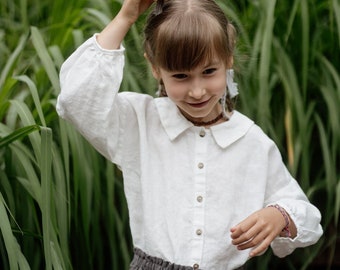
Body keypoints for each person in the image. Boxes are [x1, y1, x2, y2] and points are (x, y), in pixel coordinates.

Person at [56, 0, 323, 269]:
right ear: (156, 68)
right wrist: (126, 17)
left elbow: (307, 216)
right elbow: (76, 100)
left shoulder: (251, 142)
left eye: (208, 72)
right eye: (181, 76)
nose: (197, 91)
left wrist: (279, 215)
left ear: (228, 59)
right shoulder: (139, 123)